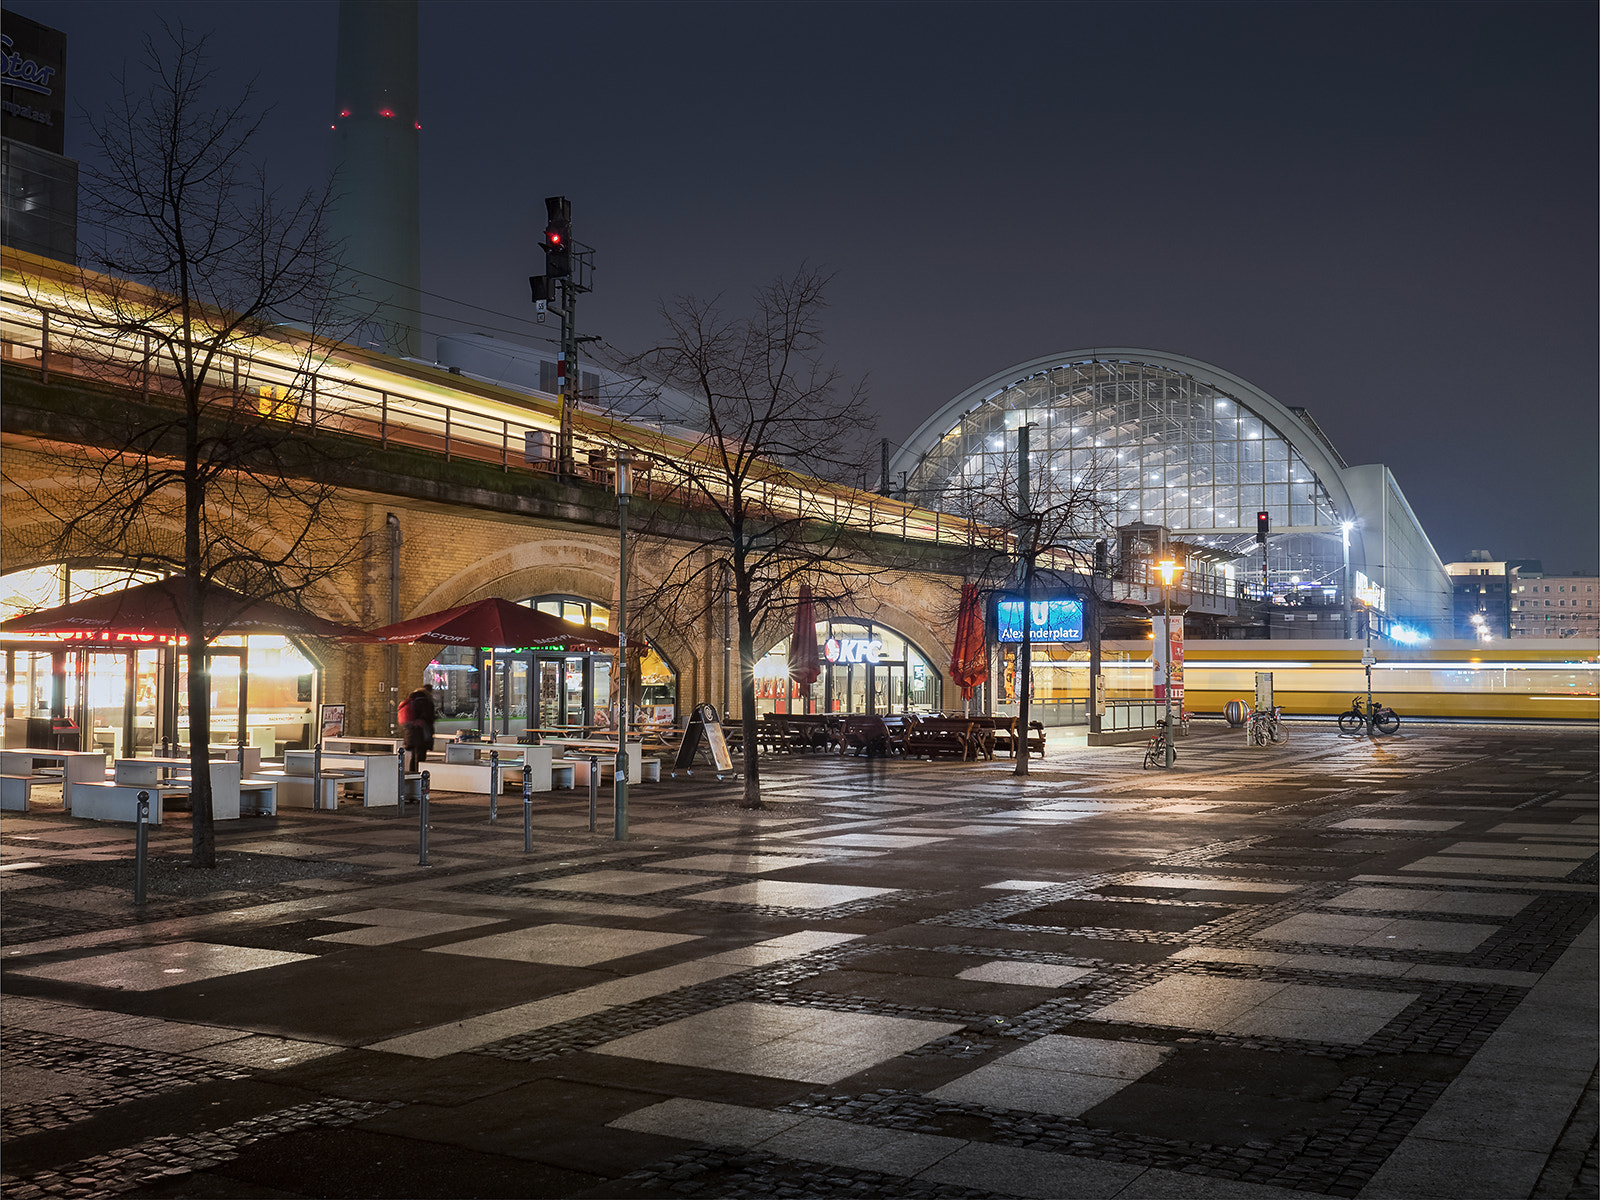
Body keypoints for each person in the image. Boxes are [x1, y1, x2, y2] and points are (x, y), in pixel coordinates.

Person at [401, 685, 437, 772]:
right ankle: (419, 776)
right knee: (420, 756)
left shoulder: (411, 701)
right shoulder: (426, 702)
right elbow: (429, 718)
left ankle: (412, 775)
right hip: (421, 733)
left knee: (413, 756)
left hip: (410, 733)